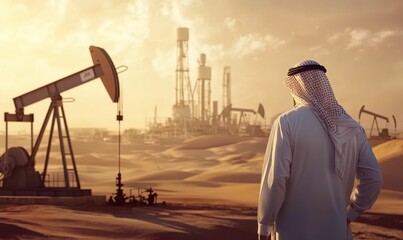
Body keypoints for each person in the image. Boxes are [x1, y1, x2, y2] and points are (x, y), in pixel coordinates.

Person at [257, 60, 382, 240]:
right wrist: (350, 213)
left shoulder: (286, 123)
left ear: (297, 87)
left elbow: (276, 178)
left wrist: (264, 225)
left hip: (292, 233)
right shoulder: (353, 128)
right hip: (337, 232)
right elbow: (374, 178)